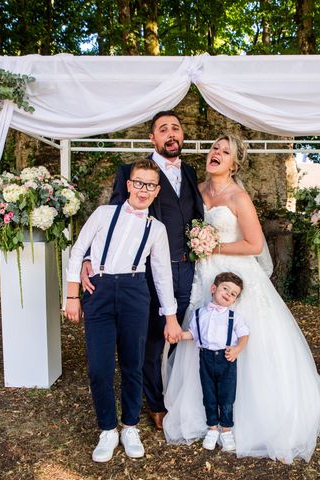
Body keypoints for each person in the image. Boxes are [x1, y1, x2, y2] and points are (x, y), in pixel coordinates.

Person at [163, 134, 320, 463]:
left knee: (246, 344)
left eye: (225, 151)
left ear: (235, 164)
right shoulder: (199, 190)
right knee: (203, 339)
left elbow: (253, 245)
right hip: (205, 277)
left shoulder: (238, 196)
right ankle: (206, 417)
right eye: (214, 148)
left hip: (236, 277)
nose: (216, 153)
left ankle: (247, 419)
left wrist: (212, 246)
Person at [81, 111, 204, 430]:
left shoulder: (189, 172)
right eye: (163, 129)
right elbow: (109, 225)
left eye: (176, 128)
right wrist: (86, 260)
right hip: (143, 274)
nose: (171, 134)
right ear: (153, 138)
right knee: (148, 340)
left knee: (175, 333)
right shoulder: (132, 173)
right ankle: (155, 403)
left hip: (186, 269)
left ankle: (172, 391)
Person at [65, 159, 178, 462]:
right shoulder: (103, 214)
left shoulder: (156, 229)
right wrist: (72, 296)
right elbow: (78, 250)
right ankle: (107, 429)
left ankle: (129, 426)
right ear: (128, 185)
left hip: (134, 292)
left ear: (156, 191)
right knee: (99, 368)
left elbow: (162, 273)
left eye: (150, 185)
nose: (144, 189)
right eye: (139, 182)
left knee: (133, 365)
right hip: (99, 292)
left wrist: (170, 317)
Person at [179, 272, 249, 452]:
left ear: (234, 300)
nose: (228, 294)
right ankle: (212, 428)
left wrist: (237, 349)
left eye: (233, 294)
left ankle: (226, 430)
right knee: (209, 395)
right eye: (225, 289)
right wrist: (179, 335)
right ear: (213, 289)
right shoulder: (199, 314)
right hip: (206, 358)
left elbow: (244, 335)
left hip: (226, 359)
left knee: (227, 397)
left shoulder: (234, 317)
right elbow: (193, 334)